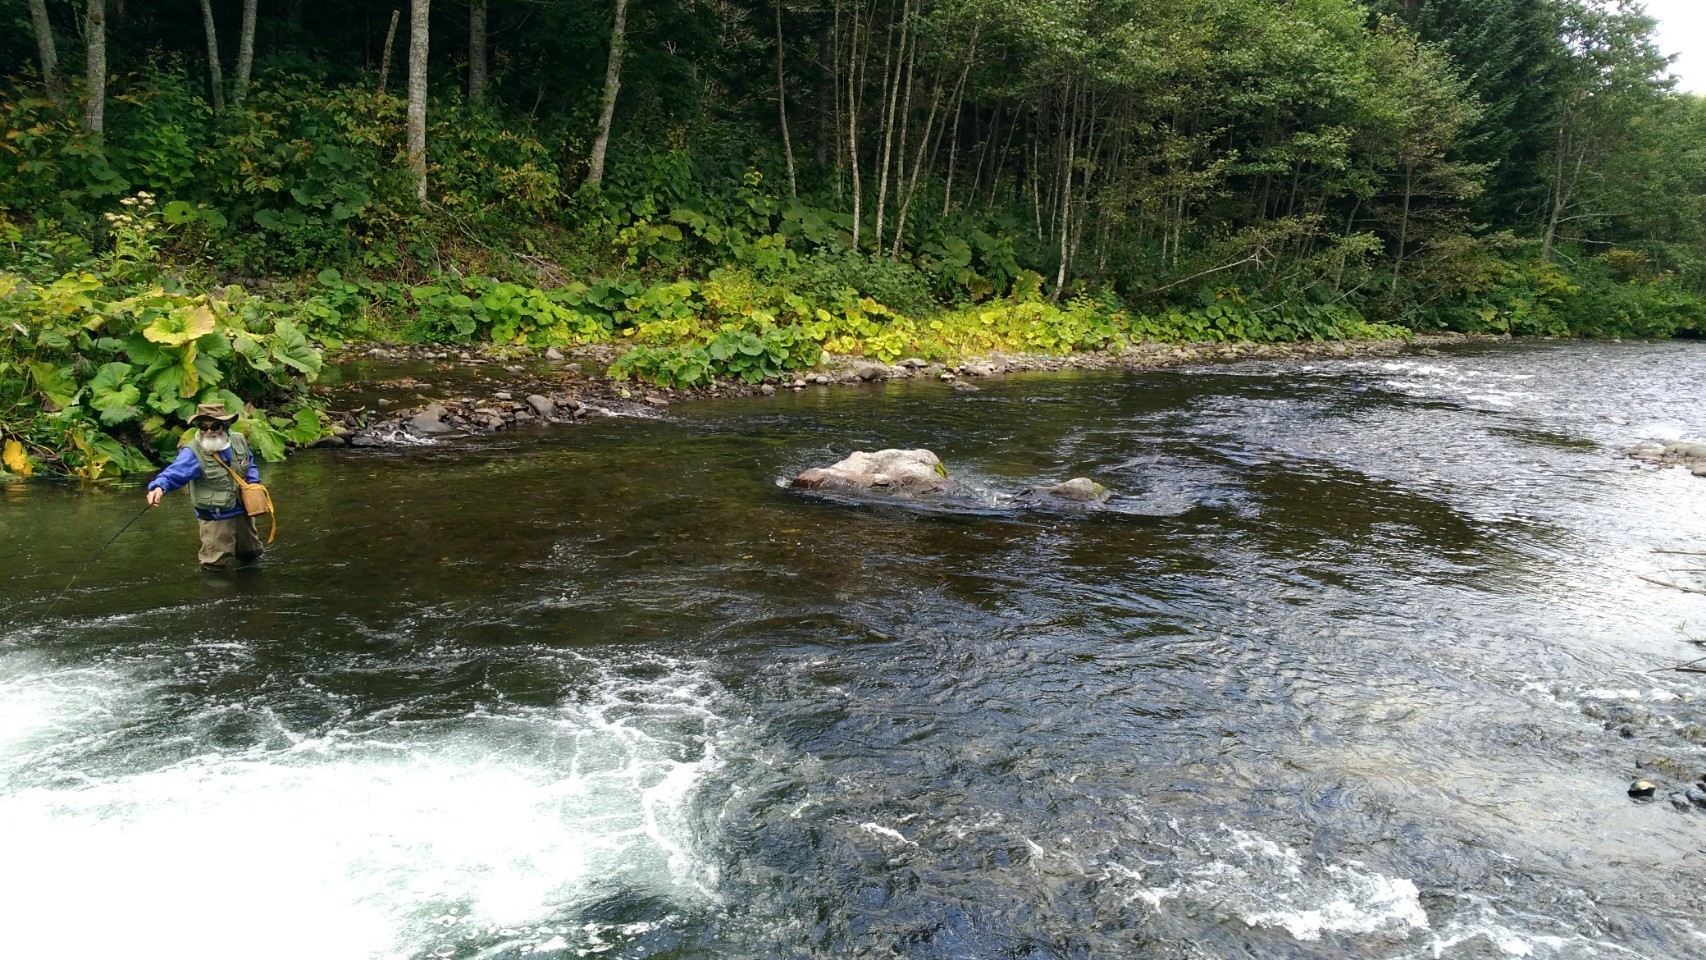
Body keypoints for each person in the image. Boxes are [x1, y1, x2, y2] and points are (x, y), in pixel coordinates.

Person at [146, 402, 265, 569]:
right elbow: (173, 473)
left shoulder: (239, 440)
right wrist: (158, 488)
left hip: (244, 511)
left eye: (214, 426)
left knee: (252, 553)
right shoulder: (192, 452)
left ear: (224, 425)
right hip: (215, 516)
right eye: (203, 427)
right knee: (215, 564)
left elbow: (249, 463)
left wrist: (254, 484)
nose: (209, 432)